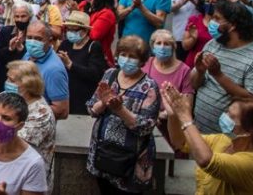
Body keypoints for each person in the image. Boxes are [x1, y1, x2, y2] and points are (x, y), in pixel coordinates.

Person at [162, 81, 253, 195]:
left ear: (249, 131)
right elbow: (180, 142)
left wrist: (185, 116)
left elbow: (206, 161)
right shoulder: (225, 140)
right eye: (227, 112)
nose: (225, 116)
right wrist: (173, 116)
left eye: (231, 116)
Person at [86, 36, 161, 194]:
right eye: (123, 54)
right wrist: (104, 103)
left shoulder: (149, 87)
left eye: (132, 57)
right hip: (103, 154)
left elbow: (145, 126)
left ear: (142, 61)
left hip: (129, 161)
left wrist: (120, 109)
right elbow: (92, 109)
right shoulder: (110, 74)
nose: (126, 59)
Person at [190, 1, 253, 134]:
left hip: (233, 140)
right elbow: (194, 85)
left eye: (217, 18)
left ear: (232, 25)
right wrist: (200, 72)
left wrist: (218, 75)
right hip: (201, 132)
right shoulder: (213, 44)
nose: (211, 22)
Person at [57, 11, 108, 116]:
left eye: (74, 30)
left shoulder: (94, 46)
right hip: (66, 95)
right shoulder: (65, 44)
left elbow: (95, 74)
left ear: (85, 31)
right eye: (68, 29)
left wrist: (71, 65)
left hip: (84, 98)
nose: (70, 32)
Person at [22, 20, 69, 120]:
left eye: (38, 39)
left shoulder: (54, 70)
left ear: (50, 41)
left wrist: (24, 111)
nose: (32, 42)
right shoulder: (28, 55)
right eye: (29, 38)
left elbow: (62, 111)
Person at [79, 0, 116, 66]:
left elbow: (94, 35)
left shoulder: (106, 13)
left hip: (98, 57)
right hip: (80, 52)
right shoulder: (83, 5)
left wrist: (78, 21)